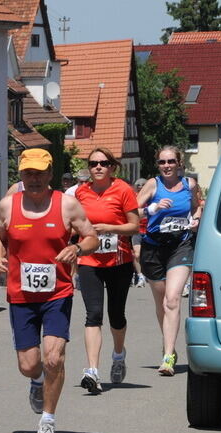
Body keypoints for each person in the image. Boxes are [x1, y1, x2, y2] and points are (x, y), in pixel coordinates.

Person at [0, 148, 98, 433]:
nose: (34, 179)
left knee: (54, 358)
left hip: (57, 293)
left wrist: (77, 248)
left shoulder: (67, 205)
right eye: (28, 173)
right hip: (21, 295)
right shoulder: (8, 206)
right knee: (29, 365)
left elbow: (91, 236)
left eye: (40, 173)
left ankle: (48, 421)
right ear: (21, 175)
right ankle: (36, 382)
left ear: (50, 174)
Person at [71, 147, 140, 393]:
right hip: (89, 261)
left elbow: (134, 226)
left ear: (112, 166)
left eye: (103, 163)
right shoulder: (81, 192)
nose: (97, 167)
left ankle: (119, 355)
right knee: (93, 314)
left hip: (118, 262)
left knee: (116, 314)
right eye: (93, 164)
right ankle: (92, 370)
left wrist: (109, 227)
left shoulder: (123, 190)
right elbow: (72, 224)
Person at [135, 146, 203, 376]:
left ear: (179, 163)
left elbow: (198, 208)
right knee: (161, 302)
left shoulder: (189, 186)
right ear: (157, 164)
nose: (166, 166)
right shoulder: (153, 185)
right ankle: (168, 343)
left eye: (171, 161)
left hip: (180, 245)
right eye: (162, 162)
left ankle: (168, 355)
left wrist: (195, 220)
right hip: (153, 247)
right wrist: (152, 208)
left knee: (173, 300)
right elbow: (131, 211)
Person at [131, 177, 149, 287]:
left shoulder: (151, 197)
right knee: (137, 254)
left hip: (149, 230)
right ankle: (140, 275)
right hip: (137, 230)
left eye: (143, 186)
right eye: (138, 186)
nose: (140, 188)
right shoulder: (133, 197)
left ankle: (148, 273)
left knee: (148, 254)